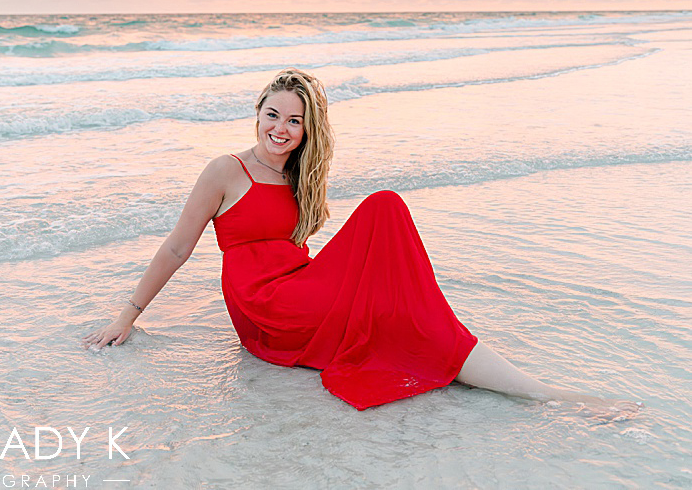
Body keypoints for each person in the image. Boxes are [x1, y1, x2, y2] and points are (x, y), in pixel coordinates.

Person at [83, 68, 640, 414]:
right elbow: (179, 247)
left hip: (298, 286)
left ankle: (526, 386)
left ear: (307, 130)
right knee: (386, 215)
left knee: (394, 292)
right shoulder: (224, 171)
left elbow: (297, 246)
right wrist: (128, 314)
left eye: (294, 121)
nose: (280, 128)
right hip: (264, 306)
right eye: (272, 114)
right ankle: (533, 391)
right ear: (256, 114)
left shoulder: (300, 177)